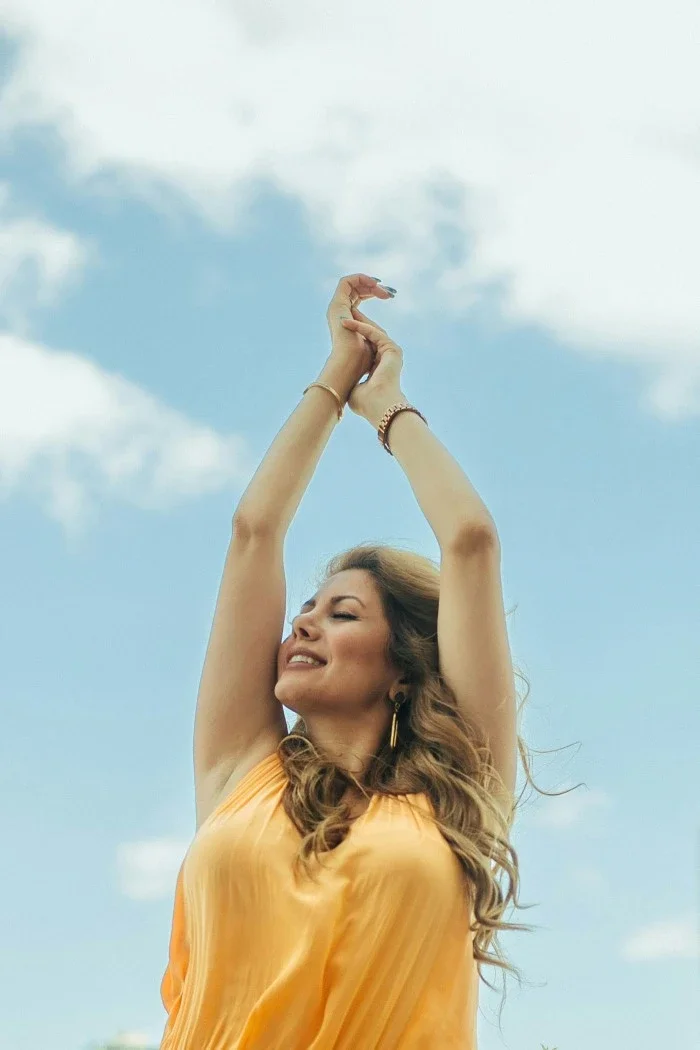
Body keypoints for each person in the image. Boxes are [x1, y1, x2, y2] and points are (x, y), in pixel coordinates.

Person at [159, 273, 536, 1049]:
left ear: (402, 668)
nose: (303, 622)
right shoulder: (240, 771)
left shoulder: (457, 800)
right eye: (306, 608)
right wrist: (335, 374)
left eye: (343, 614)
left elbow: (470, 542)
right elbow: (254, 531)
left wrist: (386, 406)